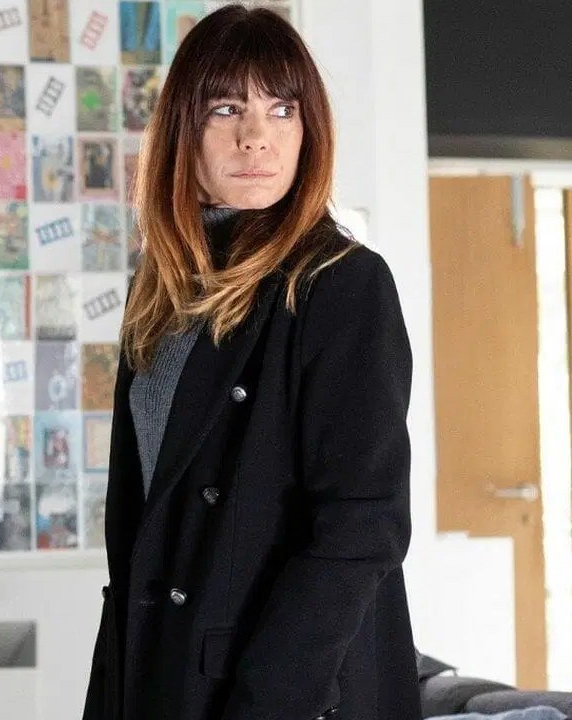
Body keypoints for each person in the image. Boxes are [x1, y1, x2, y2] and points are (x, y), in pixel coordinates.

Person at [82, 7, 420, 720]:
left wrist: (266, 705)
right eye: (227, 109)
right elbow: (143, 526)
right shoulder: (161, 289)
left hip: (279, 694)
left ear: (308, 130)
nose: (256, 136)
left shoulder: (340, 282)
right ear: (185, 130)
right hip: (162, 674)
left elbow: (361, 527)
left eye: (282, 109)